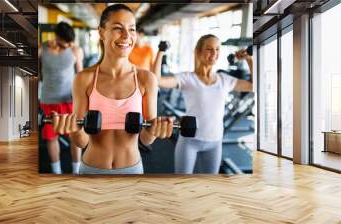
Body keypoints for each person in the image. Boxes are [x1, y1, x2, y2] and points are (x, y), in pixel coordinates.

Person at [51, 4, 174, 174]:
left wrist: (155, 130)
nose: (126, 36)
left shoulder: (146, 80)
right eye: (118, 28)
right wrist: (75, 130)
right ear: (101, 32)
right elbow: (82, 142)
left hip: (132, 170)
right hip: (91, 169)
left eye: (132, 29)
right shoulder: (84, 79)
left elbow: (146, 139)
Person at [153, 34, 253, 174]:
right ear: (199, 52)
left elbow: (254, 86)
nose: (214, 53)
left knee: (209, 186)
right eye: (209, 49)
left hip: (215, 141)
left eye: (217, 49)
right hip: (189, 141)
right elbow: (157, 80)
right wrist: (161, 51)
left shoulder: (224, 80)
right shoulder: (188, 78)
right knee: (181, 184)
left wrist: (249, 58)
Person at [38, 21, 84, 174]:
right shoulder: (42, 48)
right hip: (48, 100)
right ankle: (56, 172)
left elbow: (81, 76)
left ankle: (76, 172)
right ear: (56, 37)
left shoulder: (75, 50)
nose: (68, 46)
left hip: (69, 100)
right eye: (66, 44)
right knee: (51, 137)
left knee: (74, 136)